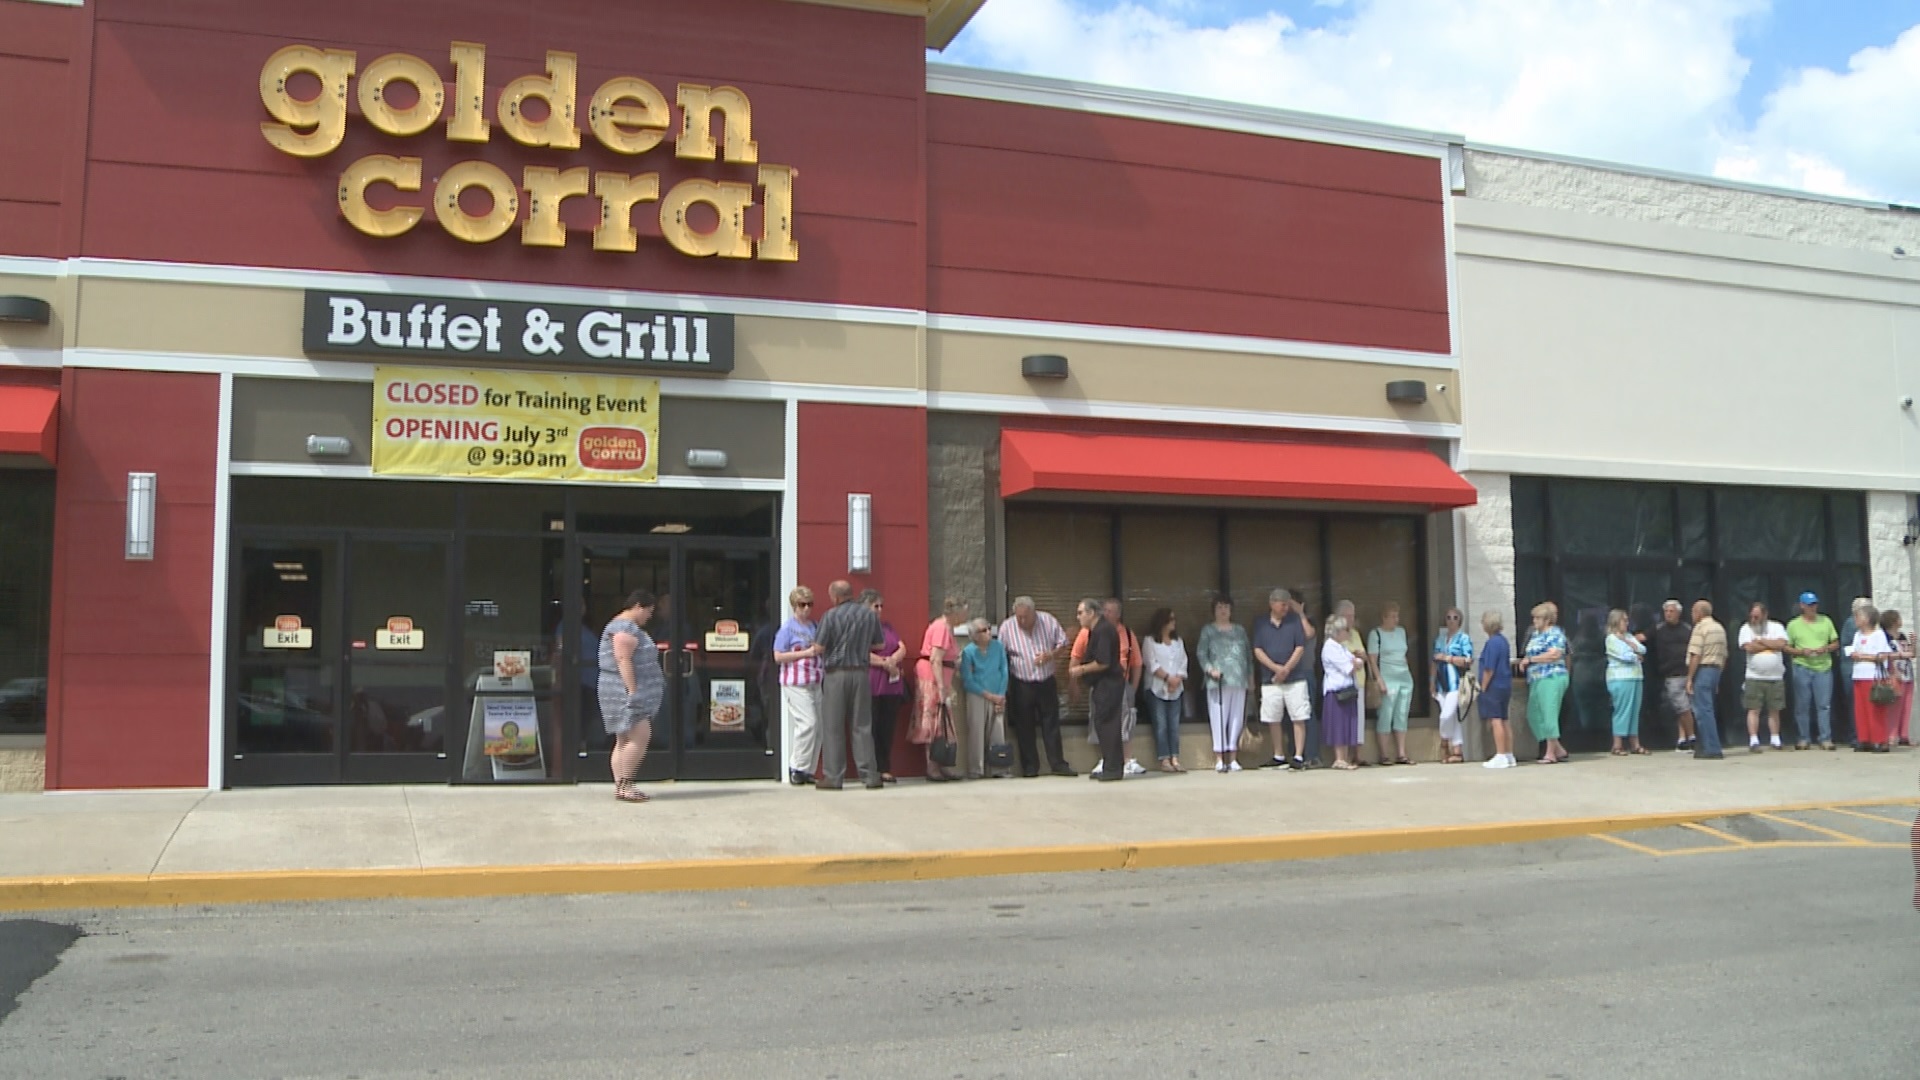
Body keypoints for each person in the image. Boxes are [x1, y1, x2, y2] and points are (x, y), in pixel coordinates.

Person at [813, 580, 885, 790]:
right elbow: (880, 644)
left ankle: (834, 777)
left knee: (833, 727)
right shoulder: (869, 615)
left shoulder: (830, 616)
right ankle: (870, 775)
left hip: (836, 674)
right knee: (862, 726)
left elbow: (818, 647)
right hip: (861, 673)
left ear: (835, 597)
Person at [998, 597, 1076, 778]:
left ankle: (1057, 763)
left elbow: (1063, 644)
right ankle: (1030, 766)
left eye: (1026, 617)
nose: (1022, 621)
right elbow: (1001, 654)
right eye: (1019, 617)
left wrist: (1050, 655)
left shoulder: (1048, 621)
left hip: (1046, 680)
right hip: (1021, 682)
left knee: (1051, 723)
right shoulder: (1007, 627)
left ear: (1034, 613)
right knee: (1024, 726)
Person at [598, 590, 664, 803]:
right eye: (649, 611)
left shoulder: (620, 626)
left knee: (624, 739)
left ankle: (621, 786)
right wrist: (633, 691)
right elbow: (623, 660)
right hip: (623, 691)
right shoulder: (624, 628)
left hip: (618, 690)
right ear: (638, 606)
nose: (649, 617)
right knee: (639, 736)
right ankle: (626, 783)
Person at [1252, 588, 1312, 771]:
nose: (1286, 607)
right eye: (1282, 604)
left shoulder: (1294, 621)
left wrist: (1286, 668)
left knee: (1299, 716)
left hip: (1295, 677)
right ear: (1272, 604)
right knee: (1273, 717)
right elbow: (1257, 649)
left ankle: (1298, 755)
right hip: (1271, 679)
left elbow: (1300, 646)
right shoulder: (1261, 623)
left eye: (1288, 604)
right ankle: (1278, 755)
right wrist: (1276, 668)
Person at [910, 597, 968, 782]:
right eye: (964, 612)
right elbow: (936, 658)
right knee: (934, 722)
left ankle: (942, 765)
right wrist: (941, 687)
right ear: (955, 612)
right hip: (933, 679)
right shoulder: (941, 628)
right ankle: (932, 767)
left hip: (942, 677)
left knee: (942, 723)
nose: (966, 616)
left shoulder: (947, 628)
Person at [773, 586, 824, 786]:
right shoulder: (787, 629)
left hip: (815, 679)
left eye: (810, 604)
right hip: (795, 681)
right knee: (807, 723)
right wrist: (805, 653)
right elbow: (778, 656)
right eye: (802, 605)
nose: (806, 609)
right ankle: (797, 766)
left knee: (818, 726)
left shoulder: (815, 626)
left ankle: (809, 770)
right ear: (794, 606)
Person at [1070, 598, 1125, 781]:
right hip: (1102, 685)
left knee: (1107, 724)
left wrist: (1081, 669)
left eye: (1080, 613)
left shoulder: (1103, 630)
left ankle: (1113, 769)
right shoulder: (1095, 631)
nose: (1078, 617)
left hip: (1109, 684)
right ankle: (1110, 765)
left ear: (1091, 613)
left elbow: (1103, 662)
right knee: (1103, 724)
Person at [1197, 595, 1251, 773]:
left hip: (1239, 679)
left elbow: (1248, 655)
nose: (1223, 610)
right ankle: (1220, 757)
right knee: (1218, 717)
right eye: (1220, 607)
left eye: (1226, 607)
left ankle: (1233, 756)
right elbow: (1201, 653)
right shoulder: (1208, 631)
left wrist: (1250, 677)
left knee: (1236, 717)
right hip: (1217, 681)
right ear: (1214, 610)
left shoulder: (1240, 630)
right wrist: (1210, 669)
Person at [1786, 592, 1840, 750]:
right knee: (1802, 705)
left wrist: (1826, 648)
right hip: (1802, 666)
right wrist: (1802, 652)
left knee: (1824, 705)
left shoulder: (1826, 621)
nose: (1813, 607)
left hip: (1823, 667)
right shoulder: (1793, 625)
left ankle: (1825, 738)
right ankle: (1804, 738)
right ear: (1802, 606)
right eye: (1809, 605)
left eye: (1815, 604)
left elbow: (1836, 643)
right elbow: (1786, 647)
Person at [958, 617, 1011, 780]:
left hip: (998, 694)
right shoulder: (968, 652)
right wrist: (989, 695)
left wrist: (1000, 695)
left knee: (997, 732)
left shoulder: (998, 647)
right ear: (974, 635)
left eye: (989, 629)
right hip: (978, 694)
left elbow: (1004, 671)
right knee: (976, 731)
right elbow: (968, 679)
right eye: (983, 630)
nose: (988, 632)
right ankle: (976, 769)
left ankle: (999, 769)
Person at [864, 589, 907, 783]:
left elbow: (902, 647)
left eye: (881, 606)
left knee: (887, 727)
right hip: (872, 684)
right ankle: (872, 768)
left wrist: (892, 661)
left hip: (892, 685)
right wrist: (885, 663)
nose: (879, 610)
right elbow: (861, 652)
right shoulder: (861, 629)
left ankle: (885, 767)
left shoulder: (887, 627)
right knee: (871, 727)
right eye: (875, 606)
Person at [1641, 600, 1696, 752]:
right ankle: (1692, 738)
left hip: (1688, 673)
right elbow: (1642, 637)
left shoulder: (1687, 629)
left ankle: (1682, 739)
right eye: (1666, 611)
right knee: (1682, 708)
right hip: (1671, 675)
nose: (1668, 614)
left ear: (1678, 613)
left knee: (1684, 707)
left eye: (1671, 611)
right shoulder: (1658, 628)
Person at [1365, 603, 1415, 767]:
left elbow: (1404, 654)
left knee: (1401, 714)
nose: (1396, 620)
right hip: (1387, 676)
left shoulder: (1401, 632)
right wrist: (1379, 679)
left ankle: (1401, 753)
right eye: (1392, 616)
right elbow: (1372, 659)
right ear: (1384, 617)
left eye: (1397, 616)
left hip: (1404, 676)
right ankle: (1384, 754)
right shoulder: (1376, 634)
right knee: (1386, 714)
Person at [1519, 601, 1570, 764]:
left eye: (1538, 618)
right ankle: (1558, 747)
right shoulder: (1535, 635)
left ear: (1547, 620)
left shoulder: (1555, 634)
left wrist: (1531, 659)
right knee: (1533, 714)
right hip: (1536, 678)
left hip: (1552, 676)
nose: (1534, 621)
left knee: (1549, 713)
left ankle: (1550, 753)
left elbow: (1555, 655)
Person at [1141, 608, 1189, 773]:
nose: (1173, 623)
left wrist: (1177, 679)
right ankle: (1164, 759)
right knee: (1161, 724)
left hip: (1176, 689)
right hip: (1157, 688)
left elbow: (1183, 662)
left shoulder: (1178, 642)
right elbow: (1151, 663)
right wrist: (1168, 678)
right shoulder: (1150, 641)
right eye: (1170, 620)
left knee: (1174, 725)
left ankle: (1175, 757)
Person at [1738, 602, 1789, 753]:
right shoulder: (1745, 628)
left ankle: (1775, 738)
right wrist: (1770, 645)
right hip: (1754, 676)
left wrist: (1761, 641)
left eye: (1757, 617)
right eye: (1752, 616)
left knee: (1775, 709)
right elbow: (1748, 647)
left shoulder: (1777, 626)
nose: (1754, 619)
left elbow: (1782, 644)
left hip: (1776, 676)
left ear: (1765, 615)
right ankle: (1754, 740)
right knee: (1754, 709)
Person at [1843, 603, 1893, 753]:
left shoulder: (1878, 634)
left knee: (1875, 709)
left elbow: (1883, 656)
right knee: (1861, 709)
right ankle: (1864, 738)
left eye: (1859, 616)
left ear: (1867, 619)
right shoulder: (1858, 635)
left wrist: (1862, 656)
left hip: (1873, 676)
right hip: (1859, 675)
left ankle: (1880, 739)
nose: (1856, 619)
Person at [1684, 600, 1728, 760]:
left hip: (1702, 670)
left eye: (1693, 612)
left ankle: (1711, 747)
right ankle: (1710, 745)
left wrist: (1689, 678)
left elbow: (1696, 654)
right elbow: (1724, 655)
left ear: (1699, 613)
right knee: (1709, 709)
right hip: (1715, 670)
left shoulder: (1700, 628)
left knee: (1703, 711)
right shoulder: (1719, 628)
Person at [1320, 613, 1364, 770]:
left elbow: (1358, 660)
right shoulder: (1330, 647)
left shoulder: (1342, 647)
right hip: (1336, 691)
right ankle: (1339, 758)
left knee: (1347, 723)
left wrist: (1356, 662)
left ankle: (1344, 758)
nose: (1348, 632)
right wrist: (1355, 663)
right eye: (1346, 629)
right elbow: (1349, 667)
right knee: (1338, 724)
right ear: (1337, 632)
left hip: (1348, 690)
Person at [1603, 609, 1647, 756]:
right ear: (1616, 621)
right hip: (1620, 677)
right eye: (1624, 620)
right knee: (1622, 709)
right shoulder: (1611, 639)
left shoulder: (1628, 636)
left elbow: (1642, 648)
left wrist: (1631, 644)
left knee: (1635, 710)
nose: (1627, 623)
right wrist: (1636, 655)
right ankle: (1617, 745)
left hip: (1636, 677)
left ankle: (1635, 744)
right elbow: (1625, 655)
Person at [1432, 608, 1474, 763]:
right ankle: (1457, 751)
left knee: (1446, 716)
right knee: (1453, 718)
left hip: (1456, 683)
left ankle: (1444, 743)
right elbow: (1434, 662)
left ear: (1459, 621)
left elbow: (1468, 660)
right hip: (1441, 684)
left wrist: (1448, 658)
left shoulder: (1463, 638)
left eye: (1455, 618)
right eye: (1448, 617)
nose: (1451, 620)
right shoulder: (1440, 639)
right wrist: (1431, 683)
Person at [1478, 611, 1516, 769]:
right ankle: (1509, 754)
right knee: (1505, 719)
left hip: (1494, 685)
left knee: (1496, 720)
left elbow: (1489, 669)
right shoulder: (1504, 641)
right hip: (1505, 684)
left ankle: (1500, 754)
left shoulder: (1492, 643)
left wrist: (1483, 687)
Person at [1884, 611, 1914, 747]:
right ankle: (1892, 734)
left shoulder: (1902, 636)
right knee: (1895, 706)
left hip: (1907, 673)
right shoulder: (1886, 637)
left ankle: (1904, 735)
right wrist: (1893, 672)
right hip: (1895, 673)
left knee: (1906, 705)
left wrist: (1913, 643)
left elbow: (1912, 654)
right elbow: (1887, 655)